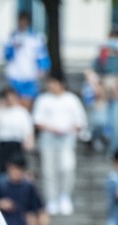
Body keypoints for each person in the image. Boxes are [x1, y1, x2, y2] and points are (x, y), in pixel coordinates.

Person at [32, 76, 87, 216]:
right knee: (48, 169)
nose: (52, 86)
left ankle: (64, 196)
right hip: (48, 137)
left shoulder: (71, 99)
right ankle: (51, 199)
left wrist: (67, 129)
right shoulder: (43, 99)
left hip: (67, 137)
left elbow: (80, 121)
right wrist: (53, 128)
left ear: (61, 84)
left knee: (67, 167)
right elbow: (37, 121)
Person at [85, 27, 118, 155]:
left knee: (117, 126)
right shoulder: (100, 57)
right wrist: (98, 88)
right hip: (102, 95)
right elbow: (90, 73)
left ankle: (114, 153)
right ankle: (96, 142)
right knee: (100, 122)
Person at [0, 87, 35, 175]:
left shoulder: (22, 112)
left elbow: (28, 130)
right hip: (3, 143)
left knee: (17, 168)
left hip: (16, 144)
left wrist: (28, 142)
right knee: (3, 168)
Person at [3, 11, 51, 103]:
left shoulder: (36, 38)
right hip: (15, 75)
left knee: (28, 101)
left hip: (30, 75)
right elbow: (6, 56)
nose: (22, 23)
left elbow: (42, 56)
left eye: (24, 21)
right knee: (14, 102)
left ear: (27, 22)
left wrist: (42, 69)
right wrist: (13, 47)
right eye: (20, 21)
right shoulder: (11, 37)